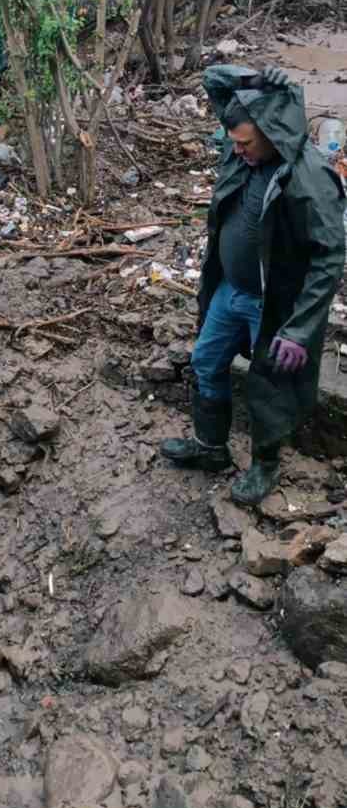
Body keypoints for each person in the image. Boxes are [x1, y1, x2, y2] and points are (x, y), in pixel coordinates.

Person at [161, 64, 345, 505]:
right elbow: (213, 80)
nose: (236, 149)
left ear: (270, 131)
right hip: (230, 290)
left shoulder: (308, 176)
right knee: (206, 360)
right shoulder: (243, 149)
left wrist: (300, 329)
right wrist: (256, 81)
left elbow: (330, 257)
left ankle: (265, 466)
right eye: (234, 142)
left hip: (274, 305)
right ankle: (211, 449)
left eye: (244, 142)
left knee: (269, 389)